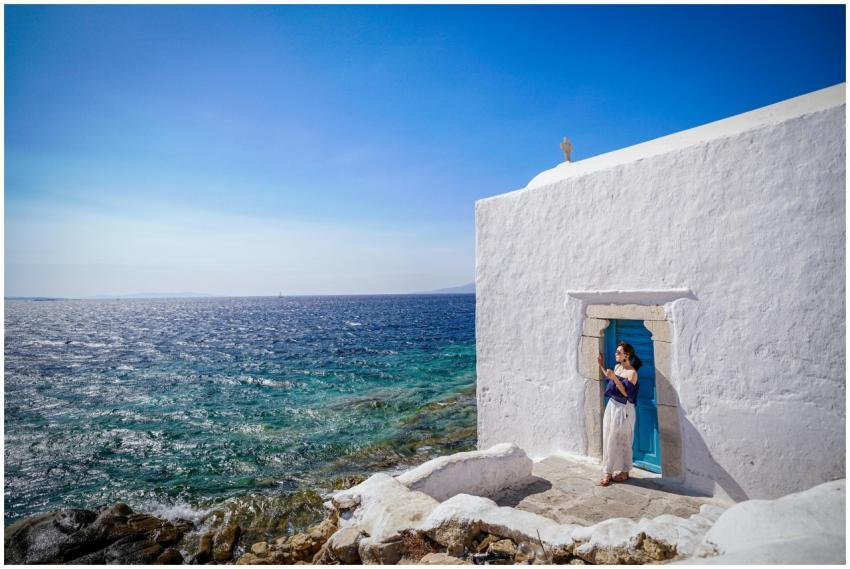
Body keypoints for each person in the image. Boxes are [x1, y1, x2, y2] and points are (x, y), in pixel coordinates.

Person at [596, 342, 642, 486]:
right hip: (612, 406)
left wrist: (615, 378)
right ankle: (608, 471)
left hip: (624, 409)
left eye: (618, 352)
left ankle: (622, 471)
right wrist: (601, 365)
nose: (616, 354)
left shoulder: (632, 373)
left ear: (626, 355)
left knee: (623, 440)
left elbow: (626, 394)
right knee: (608, 437)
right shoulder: (617, 367)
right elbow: (610, 378)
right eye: (616, 352)